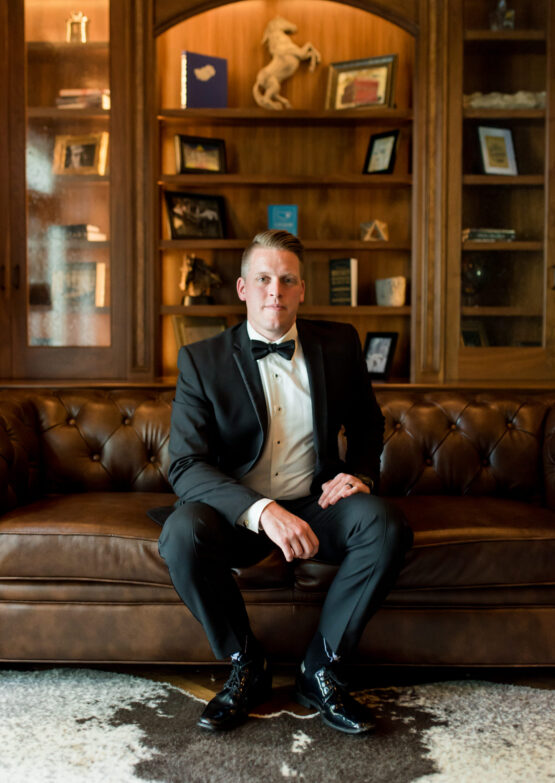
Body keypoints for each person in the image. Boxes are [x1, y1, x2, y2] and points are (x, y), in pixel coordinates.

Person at [156, 229, 412, 735]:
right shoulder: (201, 360)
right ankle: (246, 664)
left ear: (300, 289)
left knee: (385, 525)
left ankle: (321, 669)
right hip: (238, 512)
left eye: (287, 280)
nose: (276, 290)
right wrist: (262, 511)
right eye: (264, 278)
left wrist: (358, 474)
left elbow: (367, 422)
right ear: (243, 288)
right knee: (181, 533)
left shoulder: (338, 344)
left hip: (317, 500)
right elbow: (185, 465)